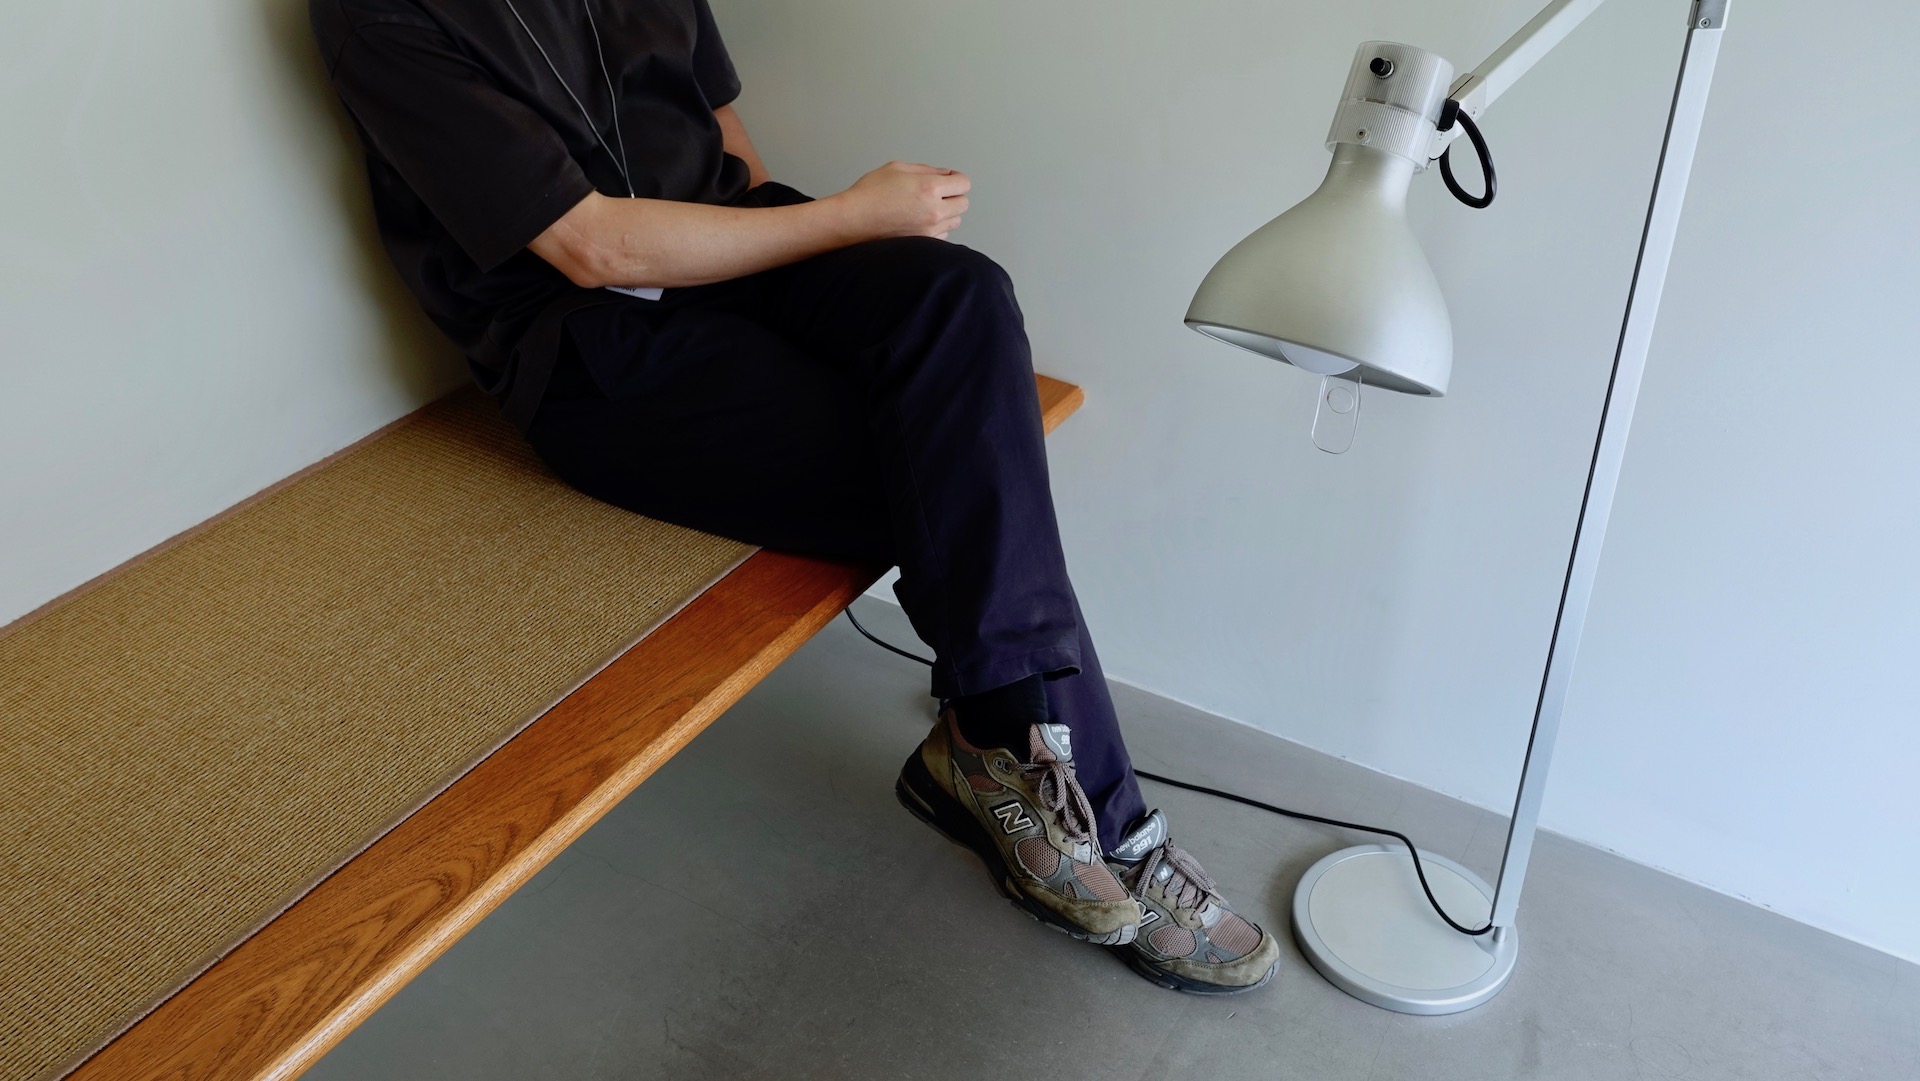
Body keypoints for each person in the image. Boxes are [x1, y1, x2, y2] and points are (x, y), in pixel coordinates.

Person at [309, 0, 1279, 994]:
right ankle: (1105, 819)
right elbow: (593, 249)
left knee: (961, 299)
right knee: (963, 472)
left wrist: (809, 270)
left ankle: (999, 744)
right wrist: (855, 216)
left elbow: (718, 125)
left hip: (733, 252)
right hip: (588, 345)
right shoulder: (377, 15)